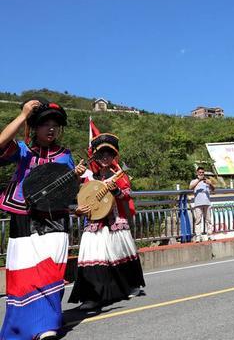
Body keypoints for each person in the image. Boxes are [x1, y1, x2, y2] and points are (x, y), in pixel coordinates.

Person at [0, 98, 86, 339]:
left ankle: (46, 325)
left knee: (51, 270)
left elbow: (69, 189)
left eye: (55, 125)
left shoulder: (65, 155)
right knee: (24, 272)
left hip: (55, 217)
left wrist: (76, 179)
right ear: (35, 127)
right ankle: (22, 327)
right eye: (45, 124)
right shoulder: (23, 151)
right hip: (23, 214)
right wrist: (22, 115)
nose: (50, 129)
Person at [69, 133, 146, 310]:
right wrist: (78, 211)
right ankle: (92, 296)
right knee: (92, 256)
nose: (105, 157)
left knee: (118, 254)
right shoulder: (87, 178)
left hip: (115, 221)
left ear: (114, 157)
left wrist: (117, 191)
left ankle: (127, 286)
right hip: (94, 223)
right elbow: (79, 200)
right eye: (101, 154)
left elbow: (126, 196)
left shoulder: (120, 176)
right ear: (95, 156)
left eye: (109, 154)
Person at [189, 167, 215, 242]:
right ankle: (198, 236)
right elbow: (190, 187)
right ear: (197, 173)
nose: (201, 174)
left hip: (207, 202)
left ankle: (210, 235)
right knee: (198, 220)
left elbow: (213, 189)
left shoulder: (207, 181)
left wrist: (210, 184)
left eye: (202, 172)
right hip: (198, 203)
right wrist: (199, 180)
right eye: (200, 172)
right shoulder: (194, 181)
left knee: (208, 220)